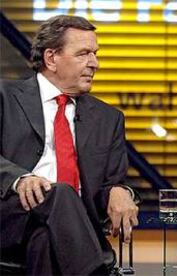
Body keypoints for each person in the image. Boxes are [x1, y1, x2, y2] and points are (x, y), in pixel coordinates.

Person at [0, 15, 140, 275]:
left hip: (66, 229)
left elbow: (113, 183)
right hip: (9, 215)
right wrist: (19, 179)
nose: (94, 63)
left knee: (44, 240)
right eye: (84, 54)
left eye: (95, 54)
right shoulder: (5, 97)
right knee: (62, 192)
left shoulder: (108, 118)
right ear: (51, 58)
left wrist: (122, 191)